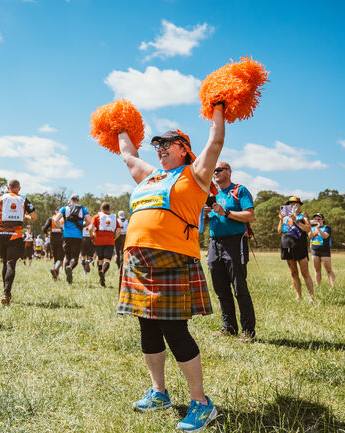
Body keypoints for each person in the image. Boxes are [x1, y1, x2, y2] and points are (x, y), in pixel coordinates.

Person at [117, 107, 224, 431]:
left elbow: (216, 140)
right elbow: (127, 154)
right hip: (138, 263)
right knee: (147, 329)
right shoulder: (150, 176)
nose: (161, 148)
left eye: (168, 143)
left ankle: (202, 403)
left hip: (173, 260)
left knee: (175, 331)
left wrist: (218, 106)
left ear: (184, 148)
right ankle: (159, 392)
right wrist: (118, 124)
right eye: (157, 144)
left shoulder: (196, 174)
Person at [204, 161, 257, 342]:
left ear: (229, 172)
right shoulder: (210, 194)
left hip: (235, 243)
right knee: (221, 289)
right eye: (214, 170)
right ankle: (229, 327)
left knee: (239, 288)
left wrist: (225, 212)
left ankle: (248, 331)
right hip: (214, 244)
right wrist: (204, 213)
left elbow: (250, 215)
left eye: (219, 169)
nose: (215, 172)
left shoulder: (239, 191)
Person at [0, 179, 37, 305]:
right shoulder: (23, 199)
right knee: (11, 263)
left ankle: (5, 291)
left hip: (1, 234)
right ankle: (7, 293)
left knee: (4, 263)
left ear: (8, 188)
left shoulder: (1, 198)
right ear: (19, 188)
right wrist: (24, 216)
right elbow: (34, 216)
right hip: (15, 234)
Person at [278, 196, 314, 302]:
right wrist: (281, 219)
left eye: (295, 203)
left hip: (300, 246)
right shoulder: (285, 218)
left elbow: (308, 228)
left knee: (305, 272)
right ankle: (298, 296)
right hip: (287, 245)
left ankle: (311, 297)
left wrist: (296, 221)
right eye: (290, 203)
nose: (293, 205)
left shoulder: (303, 216)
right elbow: (279, 231)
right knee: (293, 272)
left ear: (300, 205)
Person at [54, 195, 91, 284]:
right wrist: (83, 225)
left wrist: (61, 227)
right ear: (78, 200)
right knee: (74, 257)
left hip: (67, 235)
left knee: (67, 256)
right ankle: (70, 267)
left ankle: (68, 277)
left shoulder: (64, 208)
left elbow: (56, 220)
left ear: (70, 200)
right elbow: (89, 221)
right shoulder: (83, 209)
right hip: (77, 236)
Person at [89, 202, 121, 287]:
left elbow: (91, 228)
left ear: (101, 209)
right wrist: (114, 238)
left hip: (98, 241)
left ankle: (101, 278)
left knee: (100, 260)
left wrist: (92, 237)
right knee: (107, 260)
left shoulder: (96, 217)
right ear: (109, 209)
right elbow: (119, 231)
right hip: (110, 241)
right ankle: (102, 272)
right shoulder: (114, 217)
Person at [309, 213, 335, 287]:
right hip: (314, 250)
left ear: (323, 220)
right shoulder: (312, 228)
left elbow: (325, 236)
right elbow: (310, 237)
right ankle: (318, 286)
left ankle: (333, 286)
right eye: (315, 219)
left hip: (325, 251)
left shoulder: (327, 228)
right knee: (317, 270)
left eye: (319, 219)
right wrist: (310, 227)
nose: (317, 220)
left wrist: (318, 228)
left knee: (328, 270)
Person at [43, 207, 64, 280]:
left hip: (53, 238)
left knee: (55, 256)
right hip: (62, 238)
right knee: (61, 257)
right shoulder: (64, 219)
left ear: (55, 211)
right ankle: (55, 270)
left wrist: (46, 233)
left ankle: (55, 276)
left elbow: (44, 228)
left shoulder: (51, 218)